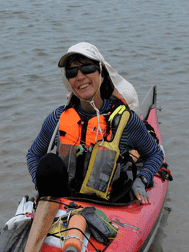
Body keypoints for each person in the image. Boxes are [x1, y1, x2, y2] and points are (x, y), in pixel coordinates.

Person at [27, 42, 164, 205]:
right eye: (72, 72)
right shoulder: (57, 118)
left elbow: (155, 154)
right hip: (67, 200)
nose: (79, 77)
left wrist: (141, 179)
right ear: (68, 81)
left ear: (102, 74)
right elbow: (33, 154)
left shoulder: (127, 121)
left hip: (112, 202)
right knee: (48, 163)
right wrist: (41, 185)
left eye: (87, 68)